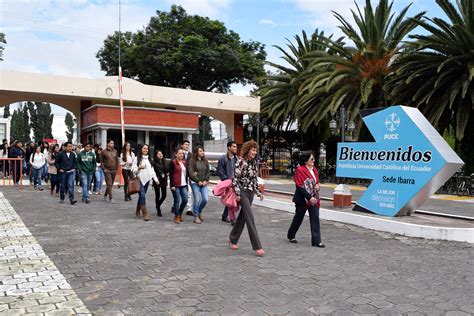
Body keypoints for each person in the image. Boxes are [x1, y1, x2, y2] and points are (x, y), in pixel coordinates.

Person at [229, 140, 265, 257]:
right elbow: (234, 180)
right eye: (253, 150)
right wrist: (238, 194)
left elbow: (254, 179)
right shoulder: (240, 162)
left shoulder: (254, 163)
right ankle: (257, 246)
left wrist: (258, 192)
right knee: (250, 218)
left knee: (243, 217)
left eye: (256, 150)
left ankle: (233, 239)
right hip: (243, 192)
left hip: (250, 193)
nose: (255, 152)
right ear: (248, 150)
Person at [287, 151, 325, 248]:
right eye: (311, 159)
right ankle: (291, 235)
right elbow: (299, 186)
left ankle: (316, 241)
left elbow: (317, 182)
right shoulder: (300, 170)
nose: (313, 160)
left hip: (314, 198)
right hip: (302, 199)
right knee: (298, 218)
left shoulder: (314, 170)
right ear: (306, 160)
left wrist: (318, 186)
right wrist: (309, 197)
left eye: (314, 159)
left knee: (315, 217)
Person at [131, 144, 159, 222]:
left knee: (141, 196)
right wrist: (139, 168)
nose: (146, 150)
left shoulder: (149, 159)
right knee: (142, 195)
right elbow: (132, 170)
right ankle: (145, 213)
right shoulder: (137, 158)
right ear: (141, 149)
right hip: (139, 180)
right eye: (144, 148)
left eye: (147, 149)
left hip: (147, 180)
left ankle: (137, 210)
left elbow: (152, 171)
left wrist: (156, 180)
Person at [217, 141, 238, 224]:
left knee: (231, 200)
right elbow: (220, 171)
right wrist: (227, 181)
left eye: (236, 147)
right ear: (229, 147)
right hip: (227, 183)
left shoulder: (237, 159)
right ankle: (232, 218)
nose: (235, 148)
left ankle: (225, 216)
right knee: (231, 200)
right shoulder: (223, 158)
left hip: (235, 183)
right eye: (234, 146)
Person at [188, 146, 210, 224]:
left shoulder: (205, 161)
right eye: (200, 151)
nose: (202, 152)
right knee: (196, 199)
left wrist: (206, 180)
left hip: (203, 183)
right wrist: (197, 181)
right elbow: (191, 173)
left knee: (205, 199)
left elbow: (208, 171)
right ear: (196, 152)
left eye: (203, 151)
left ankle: (199, 211)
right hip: (195, 183)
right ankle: (196, 216)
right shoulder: (192, 161)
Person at [169, 148, 189, 224]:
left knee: (185, 200)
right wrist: (172, 185)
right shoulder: (173, 162)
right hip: (175, 185)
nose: (181, 155)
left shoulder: (184, 162)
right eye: (180, 153)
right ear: (176, 154)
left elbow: (186, 175)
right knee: (177, 200)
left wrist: (187, 184)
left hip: (183, 184)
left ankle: (180, 213)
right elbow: (171, 175)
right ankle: (177, 216)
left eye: (182, 153)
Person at [100, 139, 118, 204]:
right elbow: (101, 161)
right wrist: (104, 169)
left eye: (113, 143)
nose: (112, 144)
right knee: (109, 183)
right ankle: (111, 198)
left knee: (110, 184)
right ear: (108, 144)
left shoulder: (115, 151)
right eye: (111, 143)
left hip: (114, 170)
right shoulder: (103, 152)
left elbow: (117, 160)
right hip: (107, 170)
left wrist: (117, 169)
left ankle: (105, 195)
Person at [152, 149, 168, 217]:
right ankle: (158, 210)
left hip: (164, 180)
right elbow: (152, 172)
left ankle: (157, 205)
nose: (161, 155)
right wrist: (155, 180)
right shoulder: (154, 162)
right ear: (156, 155)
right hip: (157, 180)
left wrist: (167, 172)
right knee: (157, 195)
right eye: (159, 154)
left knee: (164, 195)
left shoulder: (165, 161)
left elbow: (166, 169)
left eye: (161, 153)